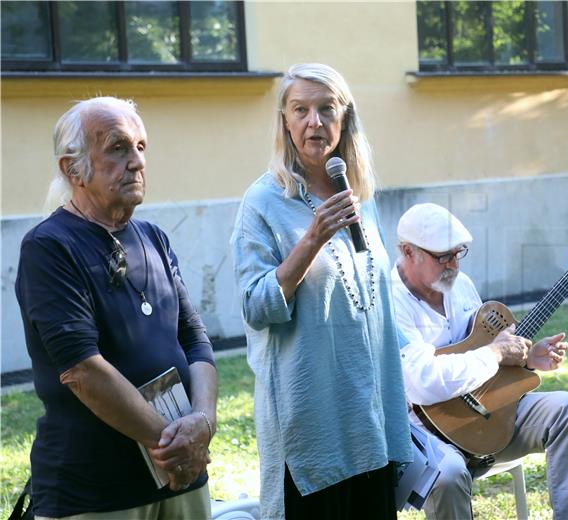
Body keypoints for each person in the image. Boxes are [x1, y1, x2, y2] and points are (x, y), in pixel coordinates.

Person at [14, 96, 218, 519]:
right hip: (95, 491)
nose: (138, 162)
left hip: (180, 482)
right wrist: (176, 446)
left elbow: (195, 341)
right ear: (73, 169)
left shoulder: (154, 238)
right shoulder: (50, 247)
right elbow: (82, 371)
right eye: (118, 148)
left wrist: (204, 424)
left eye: (141, 147)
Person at [230, 63, 412, 519]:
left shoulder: (358, 194)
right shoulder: (263, 201)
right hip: (313, 420)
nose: (315, 122)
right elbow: (255, 306)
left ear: (344, 117)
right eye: (301, 110)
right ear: (285, 122)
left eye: (326, 109)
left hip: (369, 416)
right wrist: (311, 239)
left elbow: (376, 301)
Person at [391, 202, 568, 520]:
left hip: (490, 417)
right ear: (407, 251)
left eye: (458, 253)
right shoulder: (391, 304)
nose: (453, 264)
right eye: (442, 256)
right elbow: (423, 384)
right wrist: (496, 353)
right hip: (425, 429)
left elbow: (485, 352)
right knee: (447, 476)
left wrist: (525, 358)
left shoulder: (461, 286)